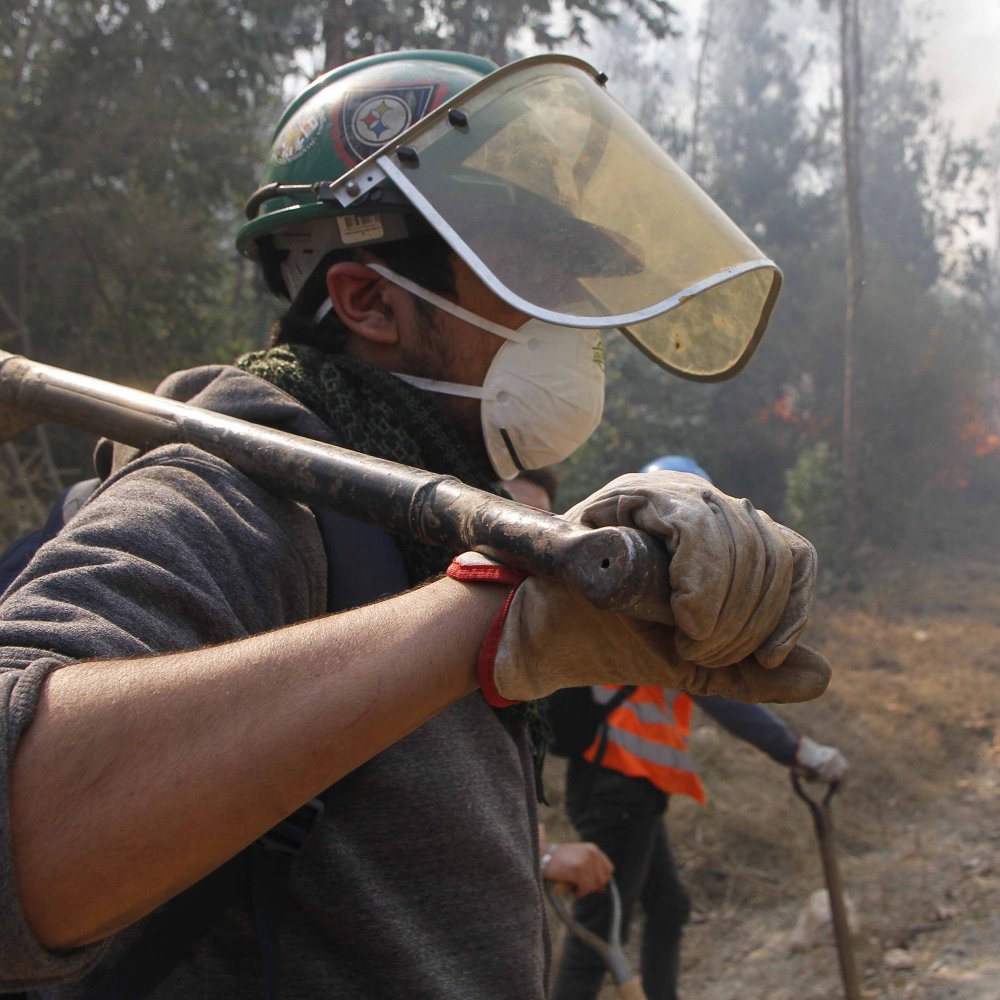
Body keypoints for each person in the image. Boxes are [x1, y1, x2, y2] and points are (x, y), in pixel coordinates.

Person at [0, 51, 830, 998]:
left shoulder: (425, 510)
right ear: (369, 300)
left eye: (576, 285)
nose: (576, 326)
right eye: (525, 272)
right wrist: (479, 620)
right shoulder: (243, 490)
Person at [549, 456, 849, 1000]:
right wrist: (795, 749)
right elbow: (724, 697)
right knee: (598, 935)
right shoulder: (647, 597)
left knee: (667, 908)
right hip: (617, 784)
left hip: (628, 786)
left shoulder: (641, 586)